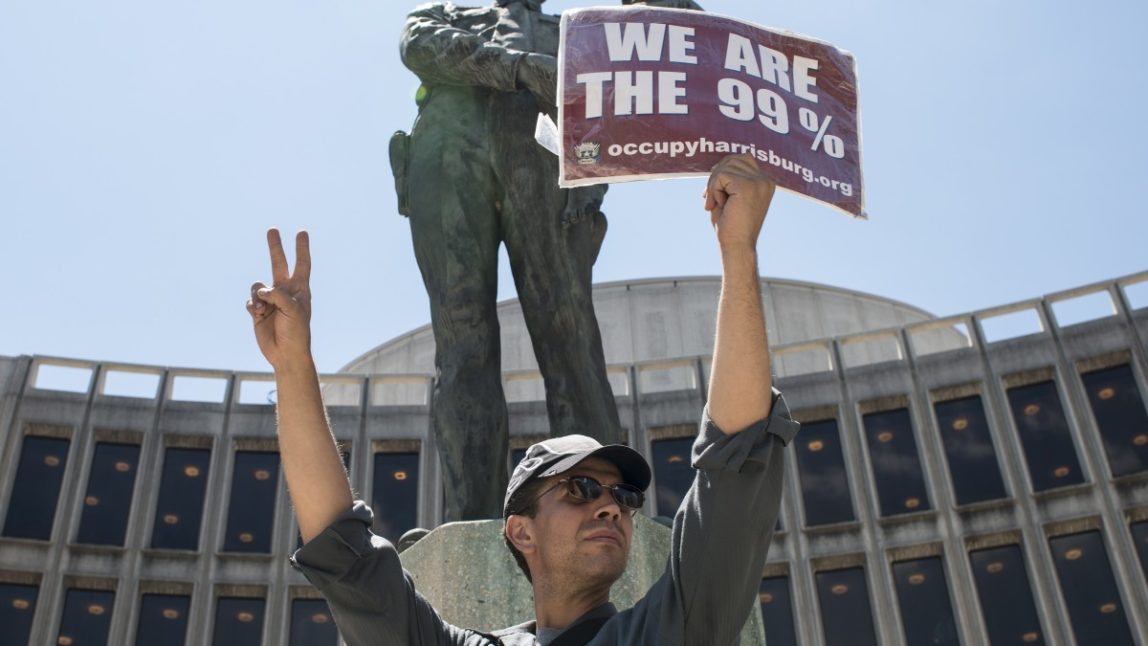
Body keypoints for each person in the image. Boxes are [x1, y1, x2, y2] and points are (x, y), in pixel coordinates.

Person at [246, 155, 799, 645]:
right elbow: (344, 553)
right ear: (521, 530)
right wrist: (294, 367)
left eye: (624, 495)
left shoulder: (665, 633)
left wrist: (738, 250)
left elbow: (735, 463)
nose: (612, 506)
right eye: (582, 489)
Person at [391, 0, 621, 521]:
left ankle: (599, 502)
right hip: (449, 151)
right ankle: (472, 516)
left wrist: (592, 174)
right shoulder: (449, 12)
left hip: (543, 159)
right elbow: (418, 44)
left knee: (569, 333)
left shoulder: (578, 31)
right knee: (461, 339)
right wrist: (516, 67)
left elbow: (669, 46)